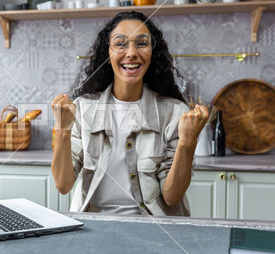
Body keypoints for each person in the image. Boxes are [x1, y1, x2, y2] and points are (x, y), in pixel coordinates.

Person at [51, 11, 208, 216]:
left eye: (142, 43)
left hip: (154, 230)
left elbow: (171, 197)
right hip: (93, 227)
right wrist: (62, 129)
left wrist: (188, 142)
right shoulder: (82, 109)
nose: (132, 52)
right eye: (121, 43)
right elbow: (63, 185)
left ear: (152, 54)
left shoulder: (174, 112)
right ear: (108, 55)